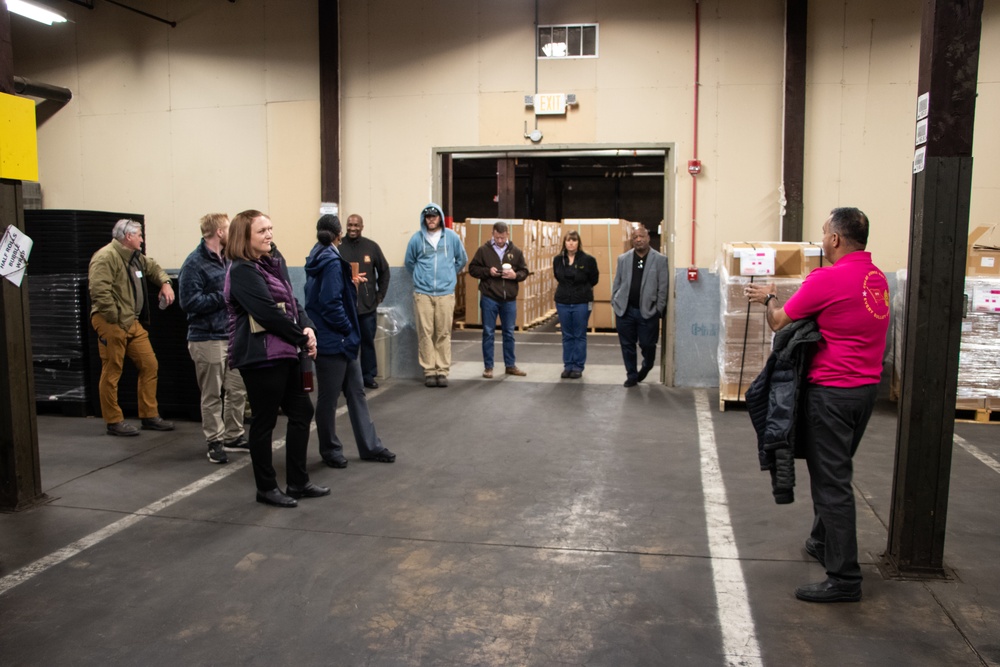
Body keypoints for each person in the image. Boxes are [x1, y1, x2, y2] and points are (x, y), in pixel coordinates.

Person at [744, 207, 889, 603]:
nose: (822, 238)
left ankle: (844, 578)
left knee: (831, 484)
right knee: (836, 467)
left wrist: (769, 298)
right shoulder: (875, 278)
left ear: (836, 239)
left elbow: (779, 322)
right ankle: (820, 541)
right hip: (864, 391)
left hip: (832, 394)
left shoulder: (828, 278)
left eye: (824, 232)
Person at [224, 209, 328, 508]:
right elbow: (267, 313)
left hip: (285, 352)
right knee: (264, 422)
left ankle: (298, 482)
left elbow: (292, 302)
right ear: (245, 237)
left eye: (270, 229)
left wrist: (307, 326)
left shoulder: (271, 262)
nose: (270, 235)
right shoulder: (242, 271)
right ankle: (266, 488)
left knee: (301, 412)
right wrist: (302, 337)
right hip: (260, 357)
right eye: (262, 231)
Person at [305, 215, 397, 467]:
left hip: (338, 340)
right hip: (336, 340)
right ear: (338, 235)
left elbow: (325, 293)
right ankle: (331, 450)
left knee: (356, 393)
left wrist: (348, 283)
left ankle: (370, 446)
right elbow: (330, 303)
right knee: (329, 397)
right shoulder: (332, 262)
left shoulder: (317, 256)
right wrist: (348, 329)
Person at [88, 219, 176, 436]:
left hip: (131, 322)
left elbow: (154, 268)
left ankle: (149, 415)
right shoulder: (105, 257)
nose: (142, 239)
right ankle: (114, 420)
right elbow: (99, 290)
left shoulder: (135, 258)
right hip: (112, 322)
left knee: (149, 364)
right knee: (112, 370)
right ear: (128, 237)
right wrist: (115, 317)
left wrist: (165, 283)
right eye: (139, 235)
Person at [178, 213, 248, 464]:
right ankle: (214, 441)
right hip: (206, 338)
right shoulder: (194, 263)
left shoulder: (229, 259)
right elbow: (188, 302)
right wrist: (224, 296)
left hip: (231, 335)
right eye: (228, 228)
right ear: (219, 232)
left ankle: (233, 435)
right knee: (211, 394)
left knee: (237, 389)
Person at [403, 203, 468, 387]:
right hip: (423, 294)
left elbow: (462, 259)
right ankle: (429, 371)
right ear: (425, 219)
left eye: (434, 216)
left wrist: (449, 275)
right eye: (428, 217)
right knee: (425, 332)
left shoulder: (452, 238)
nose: (431, 219)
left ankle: (442, 371)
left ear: (440, 217)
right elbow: (409, 262)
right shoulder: (416, 239)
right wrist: (420, 277)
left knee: (443, 332)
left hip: (445, 293)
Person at [467, 221, 530, 378]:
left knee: (509, 332)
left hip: (509, 299)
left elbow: (525, 270)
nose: (500, 241)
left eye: (502, 238)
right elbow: (473, 269)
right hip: (489, 297)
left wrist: (516, 275)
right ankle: (488, 367)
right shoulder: (483, 250)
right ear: (492, 234)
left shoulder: (516, 251)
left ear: (507, 234)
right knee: (488, 332)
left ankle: (510, 365)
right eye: (497, 237)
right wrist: (488, 271)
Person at [610, 224, 669, 387]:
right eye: (635, 237)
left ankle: (647, 365)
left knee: (648, 344)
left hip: (648, 312)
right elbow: (617, 282)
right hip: (625, 311)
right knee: (627, 345)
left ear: (648, 238)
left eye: (641, 236)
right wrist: (614, 302)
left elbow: (662, 288)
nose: (638, 240)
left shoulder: (660, 260)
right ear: (631, 240)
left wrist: (658, 309)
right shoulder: (623, 259)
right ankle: (631, 375)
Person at [337, 213, 390, 389]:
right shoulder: (338, 247)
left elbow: (384, 271)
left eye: (356, 225)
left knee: (367, 343)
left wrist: (379, 295)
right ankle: (345, 378)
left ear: (362, 226)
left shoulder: (371, 247)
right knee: (345, 343)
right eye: (350, 225)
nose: (352, 228)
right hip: (344, 307)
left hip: (367, 307)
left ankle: (368, 376)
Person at [553, 230, 600, 379]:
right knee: (567, 335)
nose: (571, 243)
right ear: (564, 243)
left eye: (574, 240)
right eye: (568, 240)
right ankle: (568, 365)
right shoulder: (558, 260)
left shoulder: (588, 260)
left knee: (579, 335)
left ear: (578, 242)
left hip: (582, 302)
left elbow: (594, 279)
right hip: (563, 302)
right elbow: (557, 276)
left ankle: (578, 366)